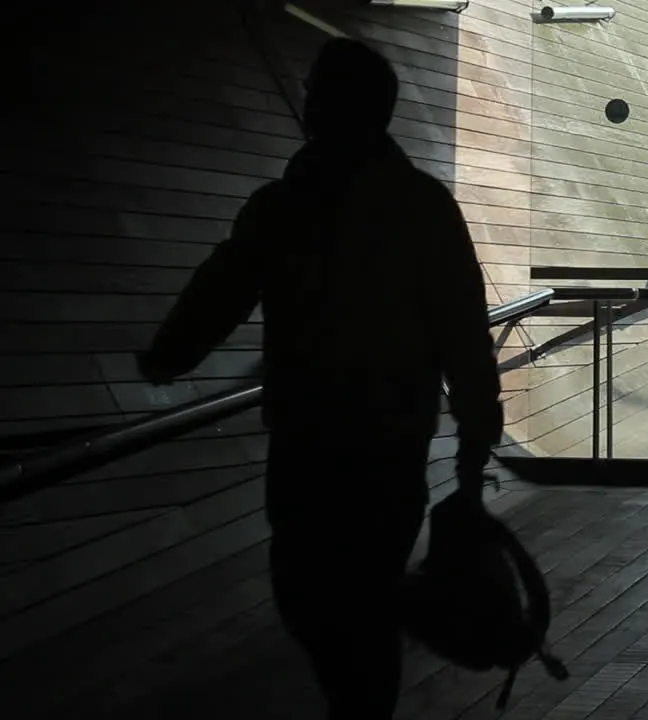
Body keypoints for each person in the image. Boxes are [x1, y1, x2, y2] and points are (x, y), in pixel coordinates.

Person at [136, 37, 504, 720]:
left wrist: (167, 356)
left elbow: (222, 287)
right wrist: (477, 432)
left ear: (327, 107)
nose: (305, 101)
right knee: (366, 592)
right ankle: (362, 701)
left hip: (306, 437)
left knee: (307, 589)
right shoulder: (422, 206)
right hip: (393, 440)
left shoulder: (285, 206)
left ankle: (355, 703)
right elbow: (461, 329)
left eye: (314, 92)